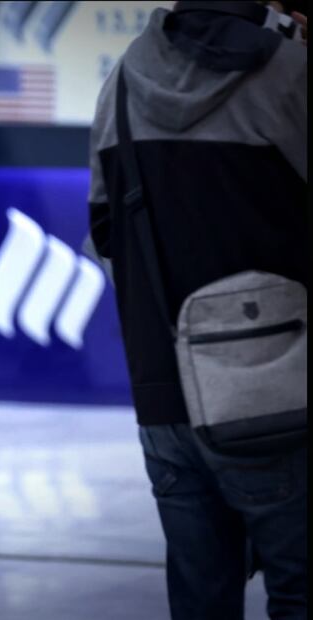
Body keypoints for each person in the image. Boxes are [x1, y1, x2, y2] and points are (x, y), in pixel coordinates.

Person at [87, 2, 307, 618]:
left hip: (163, 390)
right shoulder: (290, 72)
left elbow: (103, 228)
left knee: (200, 598)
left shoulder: (125, 77)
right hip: (281, 385)